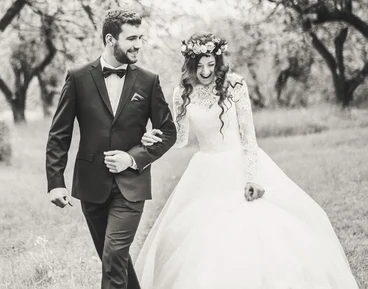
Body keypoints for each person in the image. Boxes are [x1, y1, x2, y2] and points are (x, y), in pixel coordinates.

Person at [135, 32, 359, 289]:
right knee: (201, 236)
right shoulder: (182, 93)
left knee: (254, 227)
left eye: (211, 64)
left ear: (218, 60)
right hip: (205, 171)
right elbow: (181, 139)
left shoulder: (235, 85)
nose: (206, 71)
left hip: (238, 165)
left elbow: (248, 135)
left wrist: (253, 176)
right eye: (199, 65)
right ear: (190, 64)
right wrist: (155, 137)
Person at [45, 9, 177, 289]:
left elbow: (168, 132)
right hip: (91, 185)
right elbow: (60, 133)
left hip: (131, 185)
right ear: (110, 39)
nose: (138, 44)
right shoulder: (79, 77)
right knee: (114, 260)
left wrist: (133, 158)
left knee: (114, 253)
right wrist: (56, 182)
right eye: (131, 38)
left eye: (141, 37)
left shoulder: (148, 81)